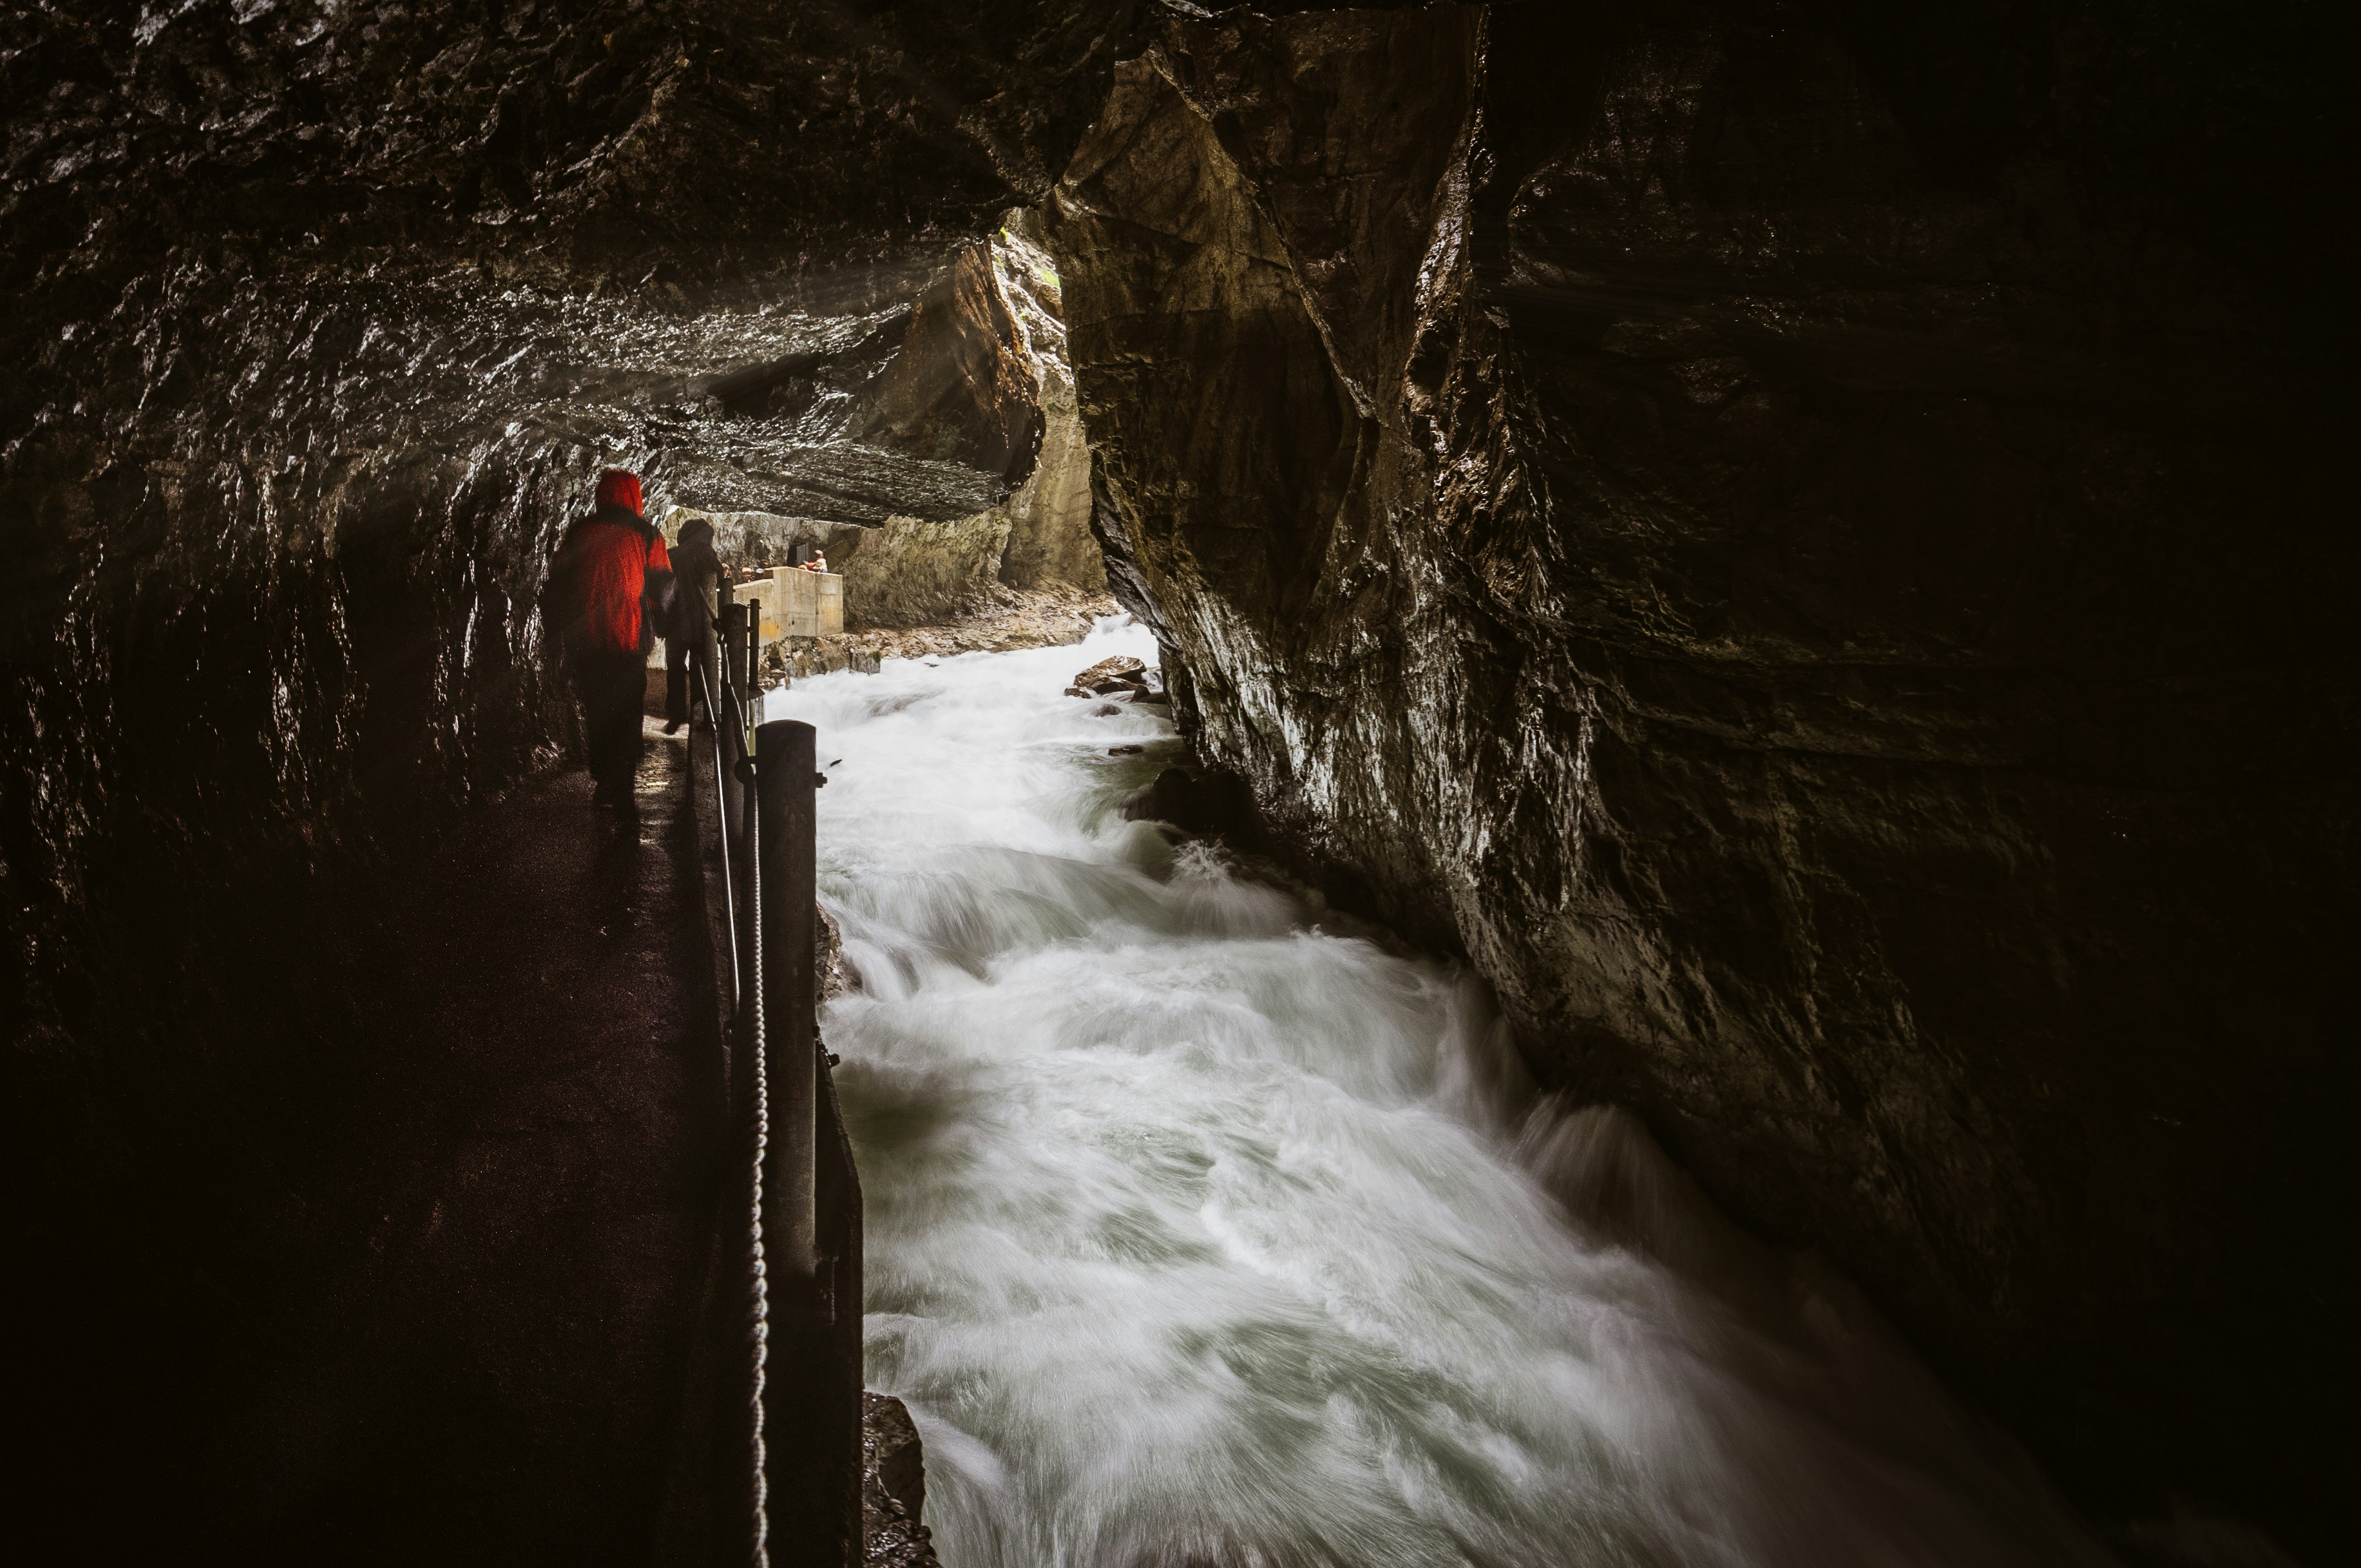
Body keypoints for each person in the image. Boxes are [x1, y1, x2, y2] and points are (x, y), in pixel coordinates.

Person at [545, 468, 674, 808]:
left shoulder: (580, 532)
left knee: (598, 709)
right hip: (629, 639)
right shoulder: (647, 535)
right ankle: (623, 785)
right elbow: (664, 587)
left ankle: (604, 782)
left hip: (587, 640)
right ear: (635, 496)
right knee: (628, 710)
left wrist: (556, 634)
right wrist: (663, 625)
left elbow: (558, 584)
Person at [664, 515, 722, 734]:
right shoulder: (707, 554)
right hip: (701, 627)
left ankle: (675, 717)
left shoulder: (672, 555)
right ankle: (700, 716)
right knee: (701, 671)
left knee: (675, 671)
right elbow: (719, 577)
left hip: (675, 625)